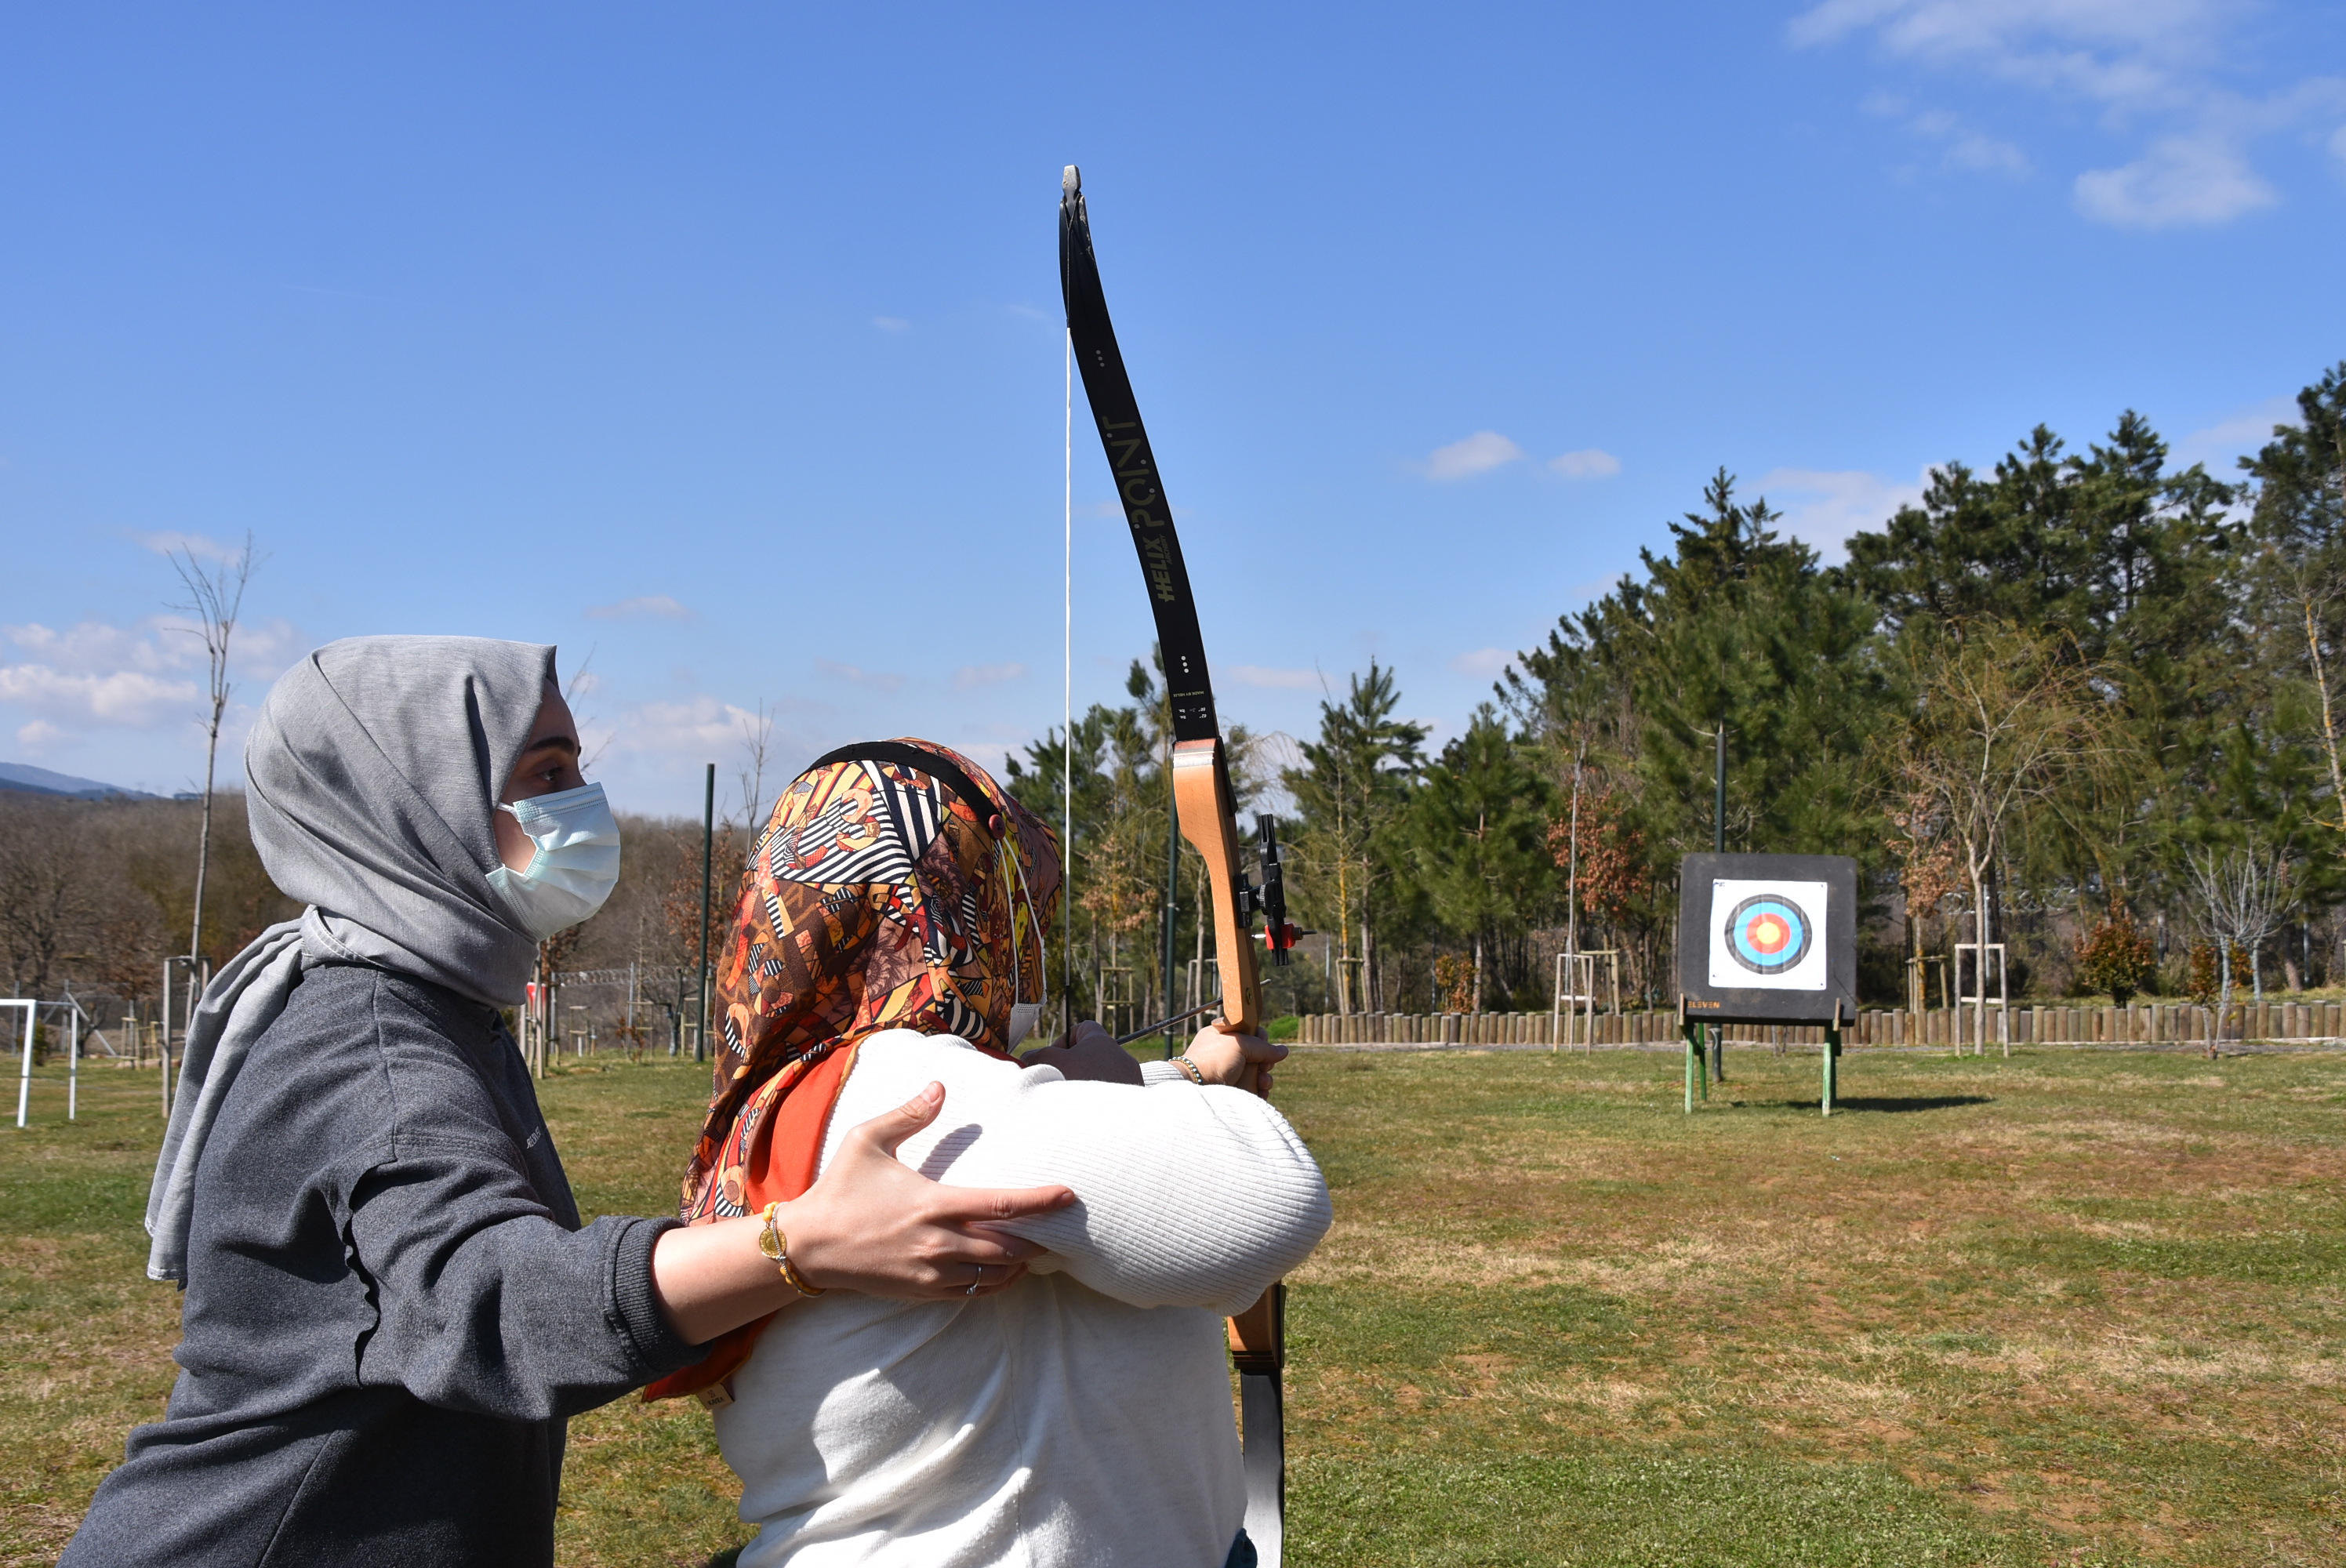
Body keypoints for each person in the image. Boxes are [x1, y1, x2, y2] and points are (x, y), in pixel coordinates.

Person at [60, 638, 1075, 1568]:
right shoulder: (369, 1044)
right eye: (547, 773)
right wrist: (800, 1243)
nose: (584, 802)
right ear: (418, 803)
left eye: (577, 768)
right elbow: (496, 1303)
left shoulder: (433, 1008)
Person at [643, 739, 1331, 1568]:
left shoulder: (805, 1097)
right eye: (1007, 894)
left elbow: (1028, 1123)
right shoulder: (909, 1086)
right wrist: (1151, 1090)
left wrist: (1180, 1074)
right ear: (941, 900)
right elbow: (1268, 1197)